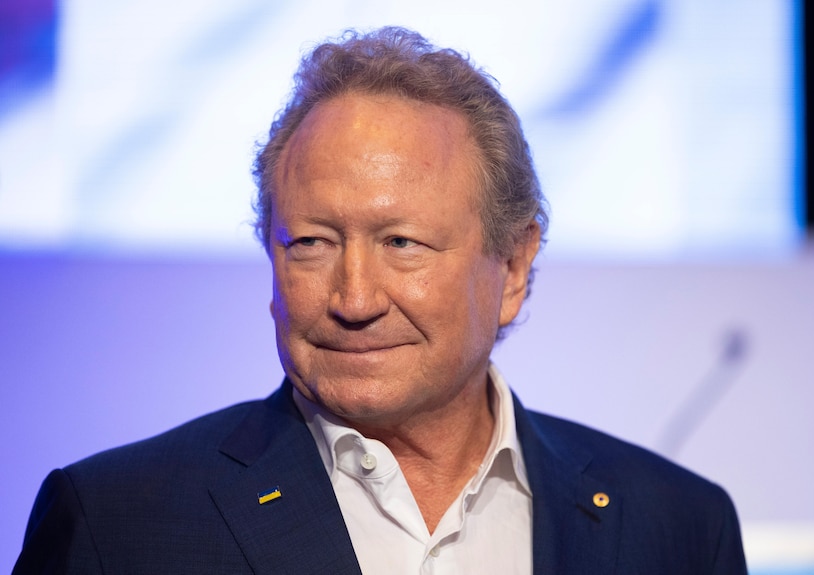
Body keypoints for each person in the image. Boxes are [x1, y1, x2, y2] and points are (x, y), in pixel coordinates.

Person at [14, 27, 747, 574]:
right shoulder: (119, 522)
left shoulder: (674, 526)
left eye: (401, 242)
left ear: (515, 264)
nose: (354, 297)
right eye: (311, 242)